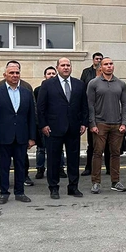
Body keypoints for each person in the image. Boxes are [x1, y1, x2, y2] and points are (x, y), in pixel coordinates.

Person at [37, 58, 88, 199]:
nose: (65, 68)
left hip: (74, 128)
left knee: (73, 160)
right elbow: (41, 107)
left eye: (68, 65)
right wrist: (43, 125)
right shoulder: (47, 84)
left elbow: (84, 105)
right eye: (63, 65)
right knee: (53, 160)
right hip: (53, 128)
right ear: (57, 67)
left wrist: (84, 123)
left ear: (71, 67)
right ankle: (53, 188)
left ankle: (73, 187)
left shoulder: (79, 84)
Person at [0, 63, 36, 204]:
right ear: (5, 75)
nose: (15, 75)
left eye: (17, 73)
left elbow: (31, 116)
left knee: (21, 166)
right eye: (11, 73)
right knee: (4, 166)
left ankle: (20, 192)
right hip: (3, 137)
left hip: (21, 136)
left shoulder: (26, 92)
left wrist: (32, 137)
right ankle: (4, 193)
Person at [87, 57, 126, 194]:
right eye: (106, 64)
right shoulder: (93, 83)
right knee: (97, 153)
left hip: (117, 124)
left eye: (111, 64)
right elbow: (90, 105)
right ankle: (96, 182)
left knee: (115, 153)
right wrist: (92, 123)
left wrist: (124, 123)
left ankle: (115, 181)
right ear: (101, 67)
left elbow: (125, 105)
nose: (109, 66)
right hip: (100, 123)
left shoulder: (121, 84)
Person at [34, 66, 62, 180]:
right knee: (41, 148)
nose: (51, 75)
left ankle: (60, 168)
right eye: (48, 73)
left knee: (59, 148)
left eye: (53, 73)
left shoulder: (60, 88)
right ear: (44, 76)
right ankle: (40, 169)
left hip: (57, 123)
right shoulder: (38, 90)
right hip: (43, 123)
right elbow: (37, 108)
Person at [80, 52, 103, 176]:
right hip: (90, 110)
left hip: (104, 113)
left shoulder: (107, 73)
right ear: (93, 60)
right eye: (96, 58)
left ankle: (109, 168)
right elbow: (82, 88)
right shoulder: (86, 72)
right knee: (92, 143)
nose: (98, 60)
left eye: (100, 59)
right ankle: (89, 167)